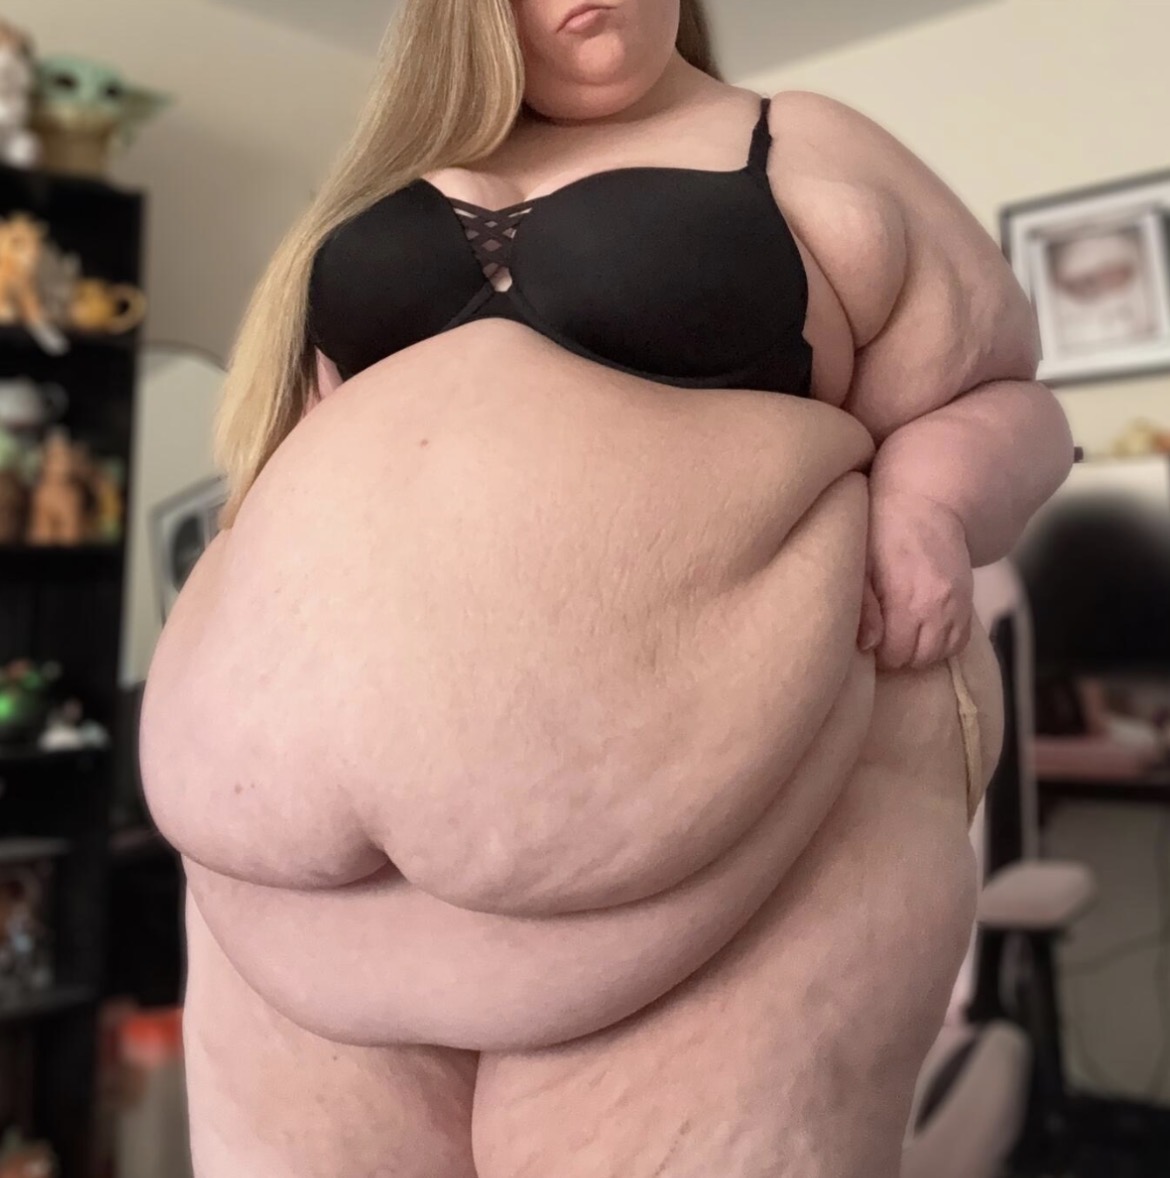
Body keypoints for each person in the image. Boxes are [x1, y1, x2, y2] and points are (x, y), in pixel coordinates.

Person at [139, 1, 1076, 1174]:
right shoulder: (390, 178)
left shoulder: (802, 144)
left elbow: (1002, 396)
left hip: (730, 850)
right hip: (277, 885)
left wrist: (929, 505)